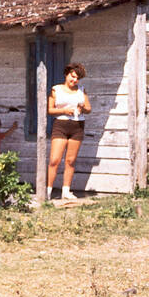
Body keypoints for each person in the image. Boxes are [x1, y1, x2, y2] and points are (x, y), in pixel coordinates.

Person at [47, 62, 91, 201]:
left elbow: (89, 109)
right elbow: (50, 110)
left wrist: (82, 108)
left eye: (77, 78)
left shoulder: (81, 90)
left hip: (77, 126)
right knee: (55, 160)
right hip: (60, 125)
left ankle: (66, 191)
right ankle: (47, 191)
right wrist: (64, 111)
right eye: (72, 77)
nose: (74, 80)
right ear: (66, 74)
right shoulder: (56, 89)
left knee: (70, 161)